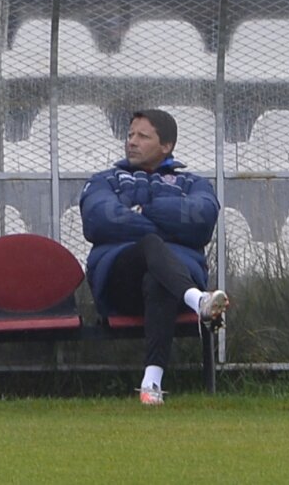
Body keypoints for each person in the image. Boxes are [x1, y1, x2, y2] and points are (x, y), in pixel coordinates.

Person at [80, 108, 228, 406]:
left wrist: (141, 210)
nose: (131, 142)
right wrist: (168, 224)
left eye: (142, 136)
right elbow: (99, 219)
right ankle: (198, 300)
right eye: (130, 134)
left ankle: (151, 384)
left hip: (168, 284)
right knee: (150, 243)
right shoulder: (105, 180)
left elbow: (201, 219)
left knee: (158, 279)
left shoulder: (193, 183)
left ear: (166, 146)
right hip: (119, 280)